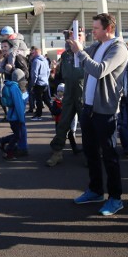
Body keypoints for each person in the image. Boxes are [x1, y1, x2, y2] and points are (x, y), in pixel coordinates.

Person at [70, 13, 128, 216]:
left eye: (95, 28)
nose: (92, 31)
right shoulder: (97, 46)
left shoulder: (118, 48)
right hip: (89, 108)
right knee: (91, 153)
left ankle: (116, 198)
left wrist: (81, 52)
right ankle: (96, 190)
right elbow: (80, 60)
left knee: (109, 155)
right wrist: (76, 44)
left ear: (108, 29)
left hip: (106, 111)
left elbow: (100, 70)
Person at [45, 28, 85, 167]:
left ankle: (90, 155)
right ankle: (57, 152)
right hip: (68, 93)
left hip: (82, 93)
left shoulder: (87, 54)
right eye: (72, 36)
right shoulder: (66, 56)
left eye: (79, 36)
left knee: (86, 125)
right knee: (63, 124)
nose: (75, 39)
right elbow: (60, 75)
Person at [0, 69, 28, 160]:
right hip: (16, 116)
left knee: (17, 134)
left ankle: (2, 142)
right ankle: (8, 152)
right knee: (17, 135)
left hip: (11, 115)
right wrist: (22, 119)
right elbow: (19, 105)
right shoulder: (15, 88)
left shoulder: (10, 86)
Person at [50, 82, 80, 154]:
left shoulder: (67, 100)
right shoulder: (55, 102)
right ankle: (56, 149)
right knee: (59, 136)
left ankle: (74, 148)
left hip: (67, 121)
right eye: (58, 91)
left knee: (70, 136)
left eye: (62, 91)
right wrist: (61, 110)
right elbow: (54, 111)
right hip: (59, 122)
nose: (60, 93)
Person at [29, 46, 52, 120]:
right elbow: (48, 71)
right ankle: (55, 112)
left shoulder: (36, 61)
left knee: (38, 99)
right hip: (45, 82)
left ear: (35, 52)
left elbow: (34, 74)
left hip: (38, 83)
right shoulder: (45, 60)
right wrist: (46, 79)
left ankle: (38, 115)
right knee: (46, 99)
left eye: (32, 53)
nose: (31, 55)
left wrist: (33, 84)